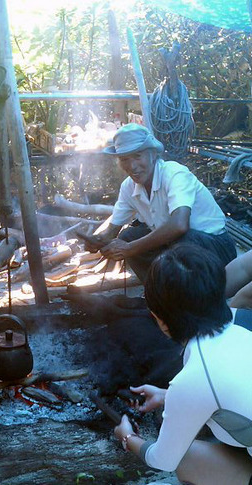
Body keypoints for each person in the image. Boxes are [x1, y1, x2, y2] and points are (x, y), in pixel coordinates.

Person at [114, 244, 252, 485]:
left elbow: (163, 460)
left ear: (161, 320)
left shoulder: (194, 377)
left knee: (187, 460)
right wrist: (170, 396)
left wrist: (127, 437)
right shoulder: (244, 320)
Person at [81, 123, 236, 283]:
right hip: (177, 245)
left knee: (180, 243)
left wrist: (130, 249)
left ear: (153, 154)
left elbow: (179, 225)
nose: (132, 166)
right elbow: (113, 230)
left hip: (215, 247)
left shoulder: (175, 174)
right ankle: (159, 294)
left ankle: (192, 297)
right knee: (128, 236)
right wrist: (98, 240)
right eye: (124, 159)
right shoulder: (128, 186)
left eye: (138, 156)